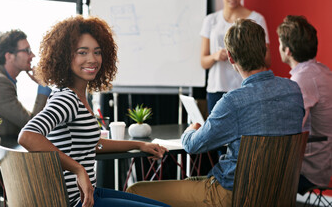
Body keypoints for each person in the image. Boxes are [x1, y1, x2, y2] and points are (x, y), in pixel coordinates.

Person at [126, 19, 304, 207]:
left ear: (230, 57)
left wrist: (191, 129)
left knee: (135, 191)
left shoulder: (233, 102)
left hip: (230, 196)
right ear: (264, 51)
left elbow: (193, 146)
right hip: (278, 196)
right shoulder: (293, 91)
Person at [18, 15, 170, 207]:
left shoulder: (78, 96)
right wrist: (78, 170)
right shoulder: (67, 98)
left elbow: (93, 143)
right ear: (65, 57)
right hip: (75, 202)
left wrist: (139, 145)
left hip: (89, 194)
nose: (92, 59)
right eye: (82, 52)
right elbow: (28, 136)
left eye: (97, 52)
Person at [200, 0, 270, 113]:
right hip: (217, 88)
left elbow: (267, 60)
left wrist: (244, 54)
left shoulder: (257, 19)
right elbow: (203, 61)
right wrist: (215, 56)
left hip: (245, 87)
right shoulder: (211, 20)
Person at [277, 15, 332, 194]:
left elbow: (289, 128)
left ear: (288, 51)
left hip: (309, 169)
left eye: (279, 43)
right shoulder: (321, 71)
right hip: (323, 160)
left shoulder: (303, 79)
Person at [0, 29, 51, 136]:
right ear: (9, 56)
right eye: (27, 50)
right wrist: (43, 85)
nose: (33, 55)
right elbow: (33, 126)